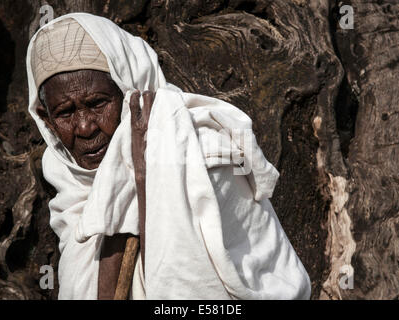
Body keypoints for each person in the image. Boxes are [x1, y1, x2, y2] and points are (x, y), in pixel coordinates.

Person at [26, 12, 311, 300]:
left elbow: (191, 293)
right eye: (65, 112)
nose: (85, 127)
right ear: (46, 120)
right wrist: (133, 179)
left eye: (98, 103)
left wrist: (144, 181)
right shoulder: (66, 178)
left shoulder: (203, 153)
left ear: (130, 90)